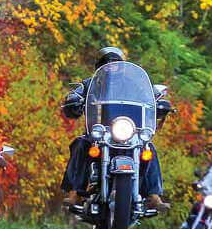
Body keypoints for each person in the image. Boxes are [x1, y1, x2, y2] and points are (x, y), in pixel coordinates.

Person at [60, 46, 169, 210]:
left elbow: (149, 98)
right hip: (100, 133)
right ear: (100, 65)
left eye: (116, 62)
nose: (112, 66)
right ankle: (74, 192)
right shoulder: (90, 84)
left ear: (122, 65)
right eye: (107, 62)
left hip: (129, 132)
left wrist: (159, 104)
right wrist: (74, 100)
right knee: (81, 144)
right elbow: (76, 96)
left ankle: (153, 195)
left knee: (149, 148)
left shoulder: (133, 84)